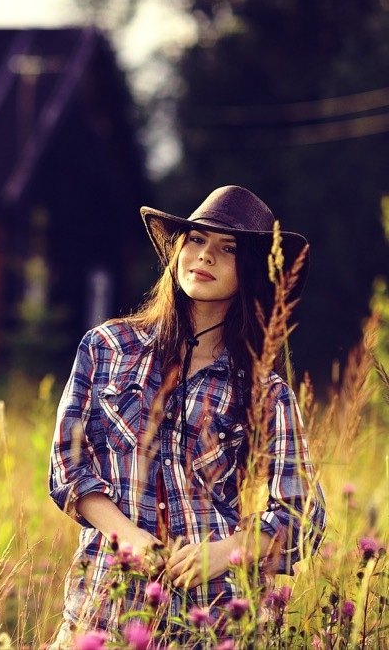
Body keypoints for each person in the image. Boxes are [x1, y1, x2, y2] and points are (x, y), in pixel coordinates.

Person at [47, 185, 326, 643]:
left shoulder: (264, 392)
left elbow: (305, 514)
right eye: (196, 240)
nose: (205, 256)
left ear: (252, 269)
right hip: (106, 608)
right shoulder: (107, 348)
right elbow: (68, 465)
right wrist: (126, 536)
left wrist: (229, 551)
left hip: (212, 619)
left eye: (227, 248)